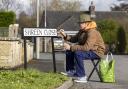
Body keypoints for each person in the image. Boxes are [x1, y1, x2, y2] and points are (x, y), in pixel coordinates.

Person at [59, 14, 105, 83]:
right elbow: (74, 39)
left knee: (78, 53)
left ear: (87, 23)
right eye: (80, 23)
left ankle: (82, 76)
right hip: (89, 50)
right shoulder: (82, 31)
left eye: (81, 23)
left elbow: (86, 47)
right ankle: (71, 71)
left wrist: (71, 47)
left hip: (97, 52)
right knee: (69, 51)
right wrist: (65, 35)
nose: (80, 24)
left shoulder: (92, 32)